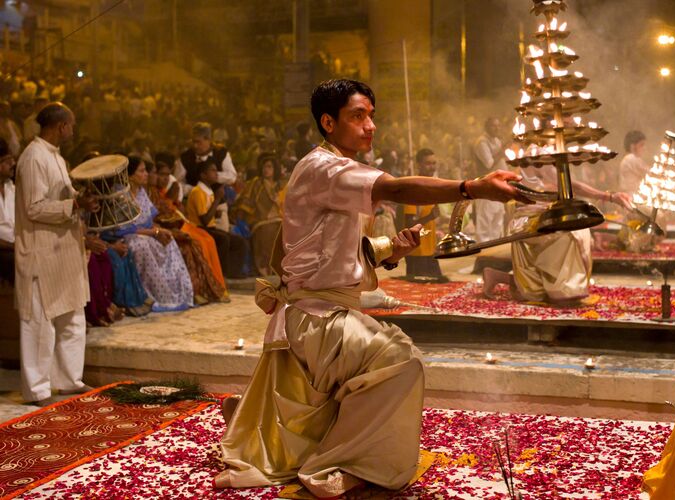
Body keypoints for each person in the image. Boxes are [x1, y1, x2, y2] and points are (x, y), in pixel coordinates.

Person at [215, 79, 530, 497]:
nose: (370, 126)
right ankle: (344, 462)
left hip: (324, 310)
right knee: (400, 359)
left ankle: (262, 425)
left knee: (381, 354)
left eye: (372, 116)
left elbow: (325, 252)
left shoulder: (331, 167)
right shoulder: (323, 167)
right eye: (358, 116)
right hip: (316, 319)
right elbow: (395, 188)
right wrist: (471, 188)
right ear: (328, 122)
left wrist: (389, 249)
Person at [15, 102, 99, 406]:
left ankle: (68, 380)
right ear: (60, 126)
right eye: (71, 124)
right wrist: (74, 206)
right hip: (41, 251)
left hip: (63, 250)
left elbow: (62, 197)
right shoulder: (34, 157)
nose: (73, 130)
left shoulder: (56, 157)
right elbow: (33, 207)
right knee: (38, 323)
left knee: (72, 317)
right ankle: (37, 389)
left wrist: (81, 200)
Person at [483, 164, 632, 304]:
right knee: (570, 235)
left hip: (546, 216)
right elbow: (571, 186)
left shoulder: (548, 151)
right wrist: (609, 197)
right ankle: (562, 291)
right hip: (529, 220)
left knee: (576, 231)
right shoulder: (538, 155)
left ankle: (498, 276)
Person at [104, 156, 194, 312]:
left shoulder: (141, 192)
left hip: (144, 233)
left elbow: (148, 221)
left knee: (168, 239)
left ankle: (174, 294)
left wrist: (160, 231)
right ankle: (147, 296)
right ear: (130, 175)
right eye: (142, 171)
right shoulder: (119, 194)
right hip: (124, 236)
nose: (146, 174)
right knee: (142, 245)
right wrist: (155, 232)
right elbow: (125, 228)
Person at [146, 161, 227, 304]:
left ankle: (210, 288)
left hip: (177, 226)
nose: (165, 178)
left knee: (207, 240)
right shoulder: (150, 192)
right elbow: (160, 215)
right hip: (164, 228)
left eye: (167, 175)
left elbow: (175, 211)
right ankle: (197, 291)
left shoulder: (159, 192)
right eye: (160, 174)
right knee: (195, 243)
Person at [185, 160, 250, 279]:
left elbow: (208, 214)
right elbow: (204, 220)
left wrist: (216, 212)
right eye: (213, 170)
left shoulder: (208, 191)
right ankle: (220, 274)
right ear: (203, 175)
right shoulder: (198, 192)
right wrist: (217, 200)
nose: (216, 173)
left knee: (239, 241)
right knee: (223, 239)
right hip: (199, 229)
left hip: (210, 228)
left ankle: (233, 272)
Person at [175, 122, 237, 232]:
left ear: (208, 140)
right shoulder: (185, 157)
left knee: (223, 238)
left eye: (198, 142)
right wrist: (195, 190)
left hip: (218, 205)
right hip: (195, 208)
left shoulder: (221, 153)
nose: (195, 145)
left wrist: (212, 177)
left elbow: (232, 176)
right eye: (193, 142)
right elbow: (177, 184)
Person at [232, 154, 285, 276]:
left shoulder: (280, 185)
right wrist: (239, 217)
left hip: (279, 218)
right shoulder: (256, 183)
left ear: (275, 169)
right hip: (260, 220)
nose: (265, 169)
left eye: (269, 167)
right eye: (264, 167)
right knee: (269, 231)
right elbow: (246, 201)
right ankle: (266, 269)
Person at [399, 148, 446, 282]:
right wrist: (430, 216)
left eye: (434, 163)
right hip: (417, 254)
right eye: (428, 163)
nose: (432, 167)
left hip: (430, 252)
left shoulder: (431, 186)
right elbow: (409, 224)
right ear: (419, 165)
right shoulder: (414, 187)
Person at [472, 117, 507, 243]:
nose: (497, 128)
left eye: (498, 126)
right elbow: (489, 164)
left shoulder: (497, 141)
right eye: (493, 126)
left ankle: (495, 248)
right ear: (486, 127)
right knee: (485, 220)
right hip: (486, 186)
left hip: (499, 185)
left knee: (497, 219)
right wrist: (502, 151)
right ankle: (484, 251)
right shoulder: (482, 142)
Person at [0, 138, 15, 285]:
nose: (13, 164)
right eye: (7, 161)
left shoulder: (12, 188)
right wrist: (14, 247)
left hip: (15, 247)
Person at [617, 130, 647, 195]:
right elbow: (649, 173)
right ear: (632, 146)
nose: (644, 148)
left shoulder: (628, 158)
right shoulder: (631, 158)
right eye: (641, 145)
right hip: (631, 197)